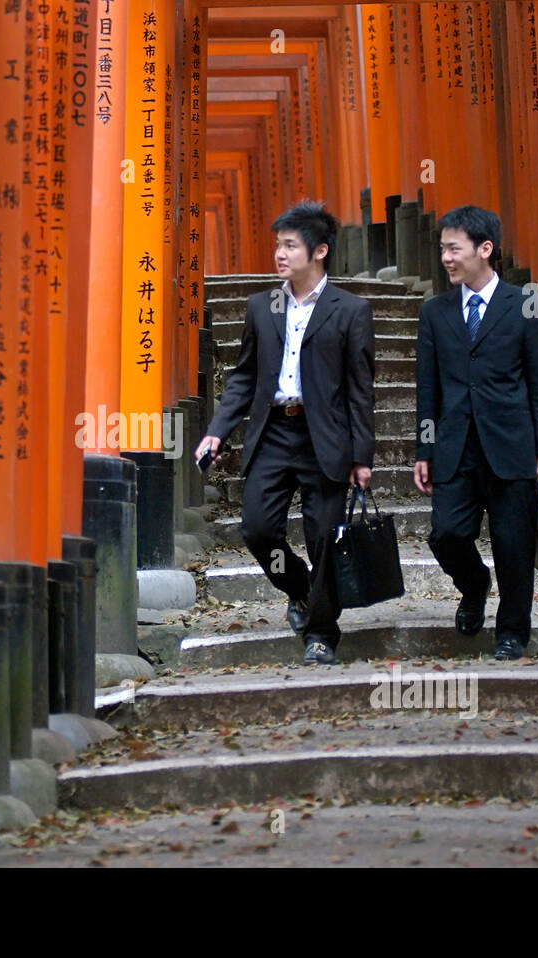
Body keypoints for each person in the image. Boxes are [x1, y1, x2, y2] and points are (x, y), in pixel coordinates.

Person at [196, 200, 375, 665]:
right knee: (257, 529)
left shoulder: (351, 310)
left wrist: (362, 457)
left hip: (326, 441)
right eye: (277, 245)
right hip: (274, 432)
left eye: (289, 245)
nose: (279, 254)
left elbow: (360, 390)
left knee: (324, 538)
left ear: (319, 251)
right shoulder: (263, 306)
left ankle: (320, 633)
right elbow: (243, 376)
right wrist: (218, 431)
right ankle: (299, 588)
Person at [413, 205, 538, 660]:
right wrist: (425, 448)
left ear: (485, 249)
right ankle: (474, 586)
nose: (447, 259)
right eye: (443, 250)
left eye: (455, 249)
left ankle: (512, 631)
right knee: (446, 534)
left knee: (514, 544)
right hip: (455, 447)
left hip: (512, 444)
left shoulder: (525, 306)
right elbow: (428, 388)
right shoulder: (435, 313)